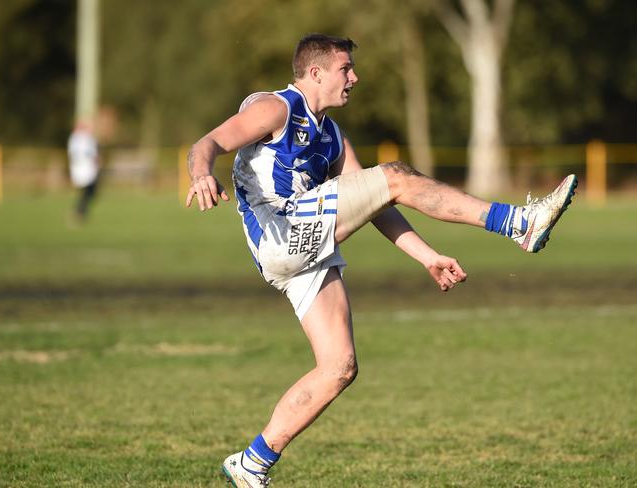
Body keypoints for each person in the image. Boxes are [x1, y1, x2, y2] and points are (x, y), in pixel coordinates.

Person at [186, 34, 577, 487]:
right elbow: (208, 142)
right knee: (394, 175)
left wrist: (427, 256)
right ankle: (516, 222)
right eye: (345, 69)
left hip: (301, 249)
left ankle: (251, 463)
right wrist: (201, 174)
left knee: (340, 367)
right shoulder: (277, 107)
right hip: (280, 231)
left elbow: (375, 202)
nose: (354, 77)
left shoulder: (333, 136)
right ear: (315, 73)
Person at [67, 120, 100, 223]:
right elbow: (91, 154)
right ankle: (78, 212)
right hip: (86, 169)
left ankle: (80, 212)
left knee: (88, 192)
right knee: (89, 191)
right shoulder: (84, 138)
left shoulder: (74, 138)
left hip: (81, 169)